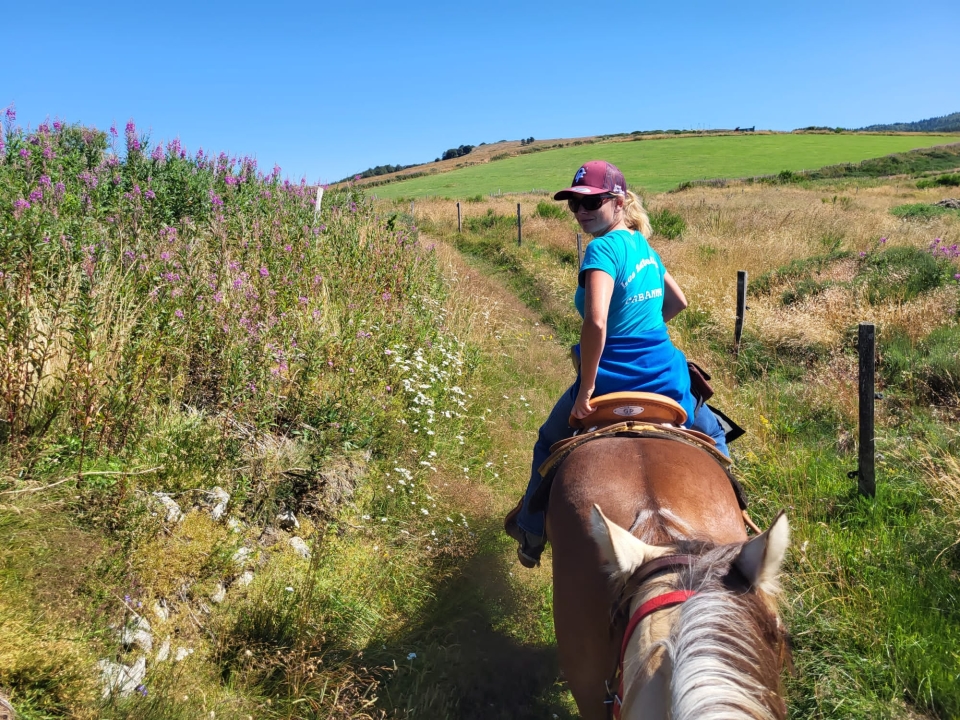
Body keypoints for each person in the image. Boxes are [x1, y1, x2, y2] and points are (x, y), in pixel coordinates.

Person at [504, 160, 729, 568]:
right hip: (666, 375)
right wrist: (645, 330)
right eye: (574, 203)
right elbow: (678, 302)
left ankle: (531, 531)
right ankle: (740, 518)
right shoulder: (643, 245)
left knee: (546, 440)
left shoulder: (601, 249)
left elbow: (596, 320)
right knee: (713, 435)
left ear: (619, 201)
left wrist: (587, 389)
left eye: (592, 201)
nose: (581, 210)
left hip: (611, 378)